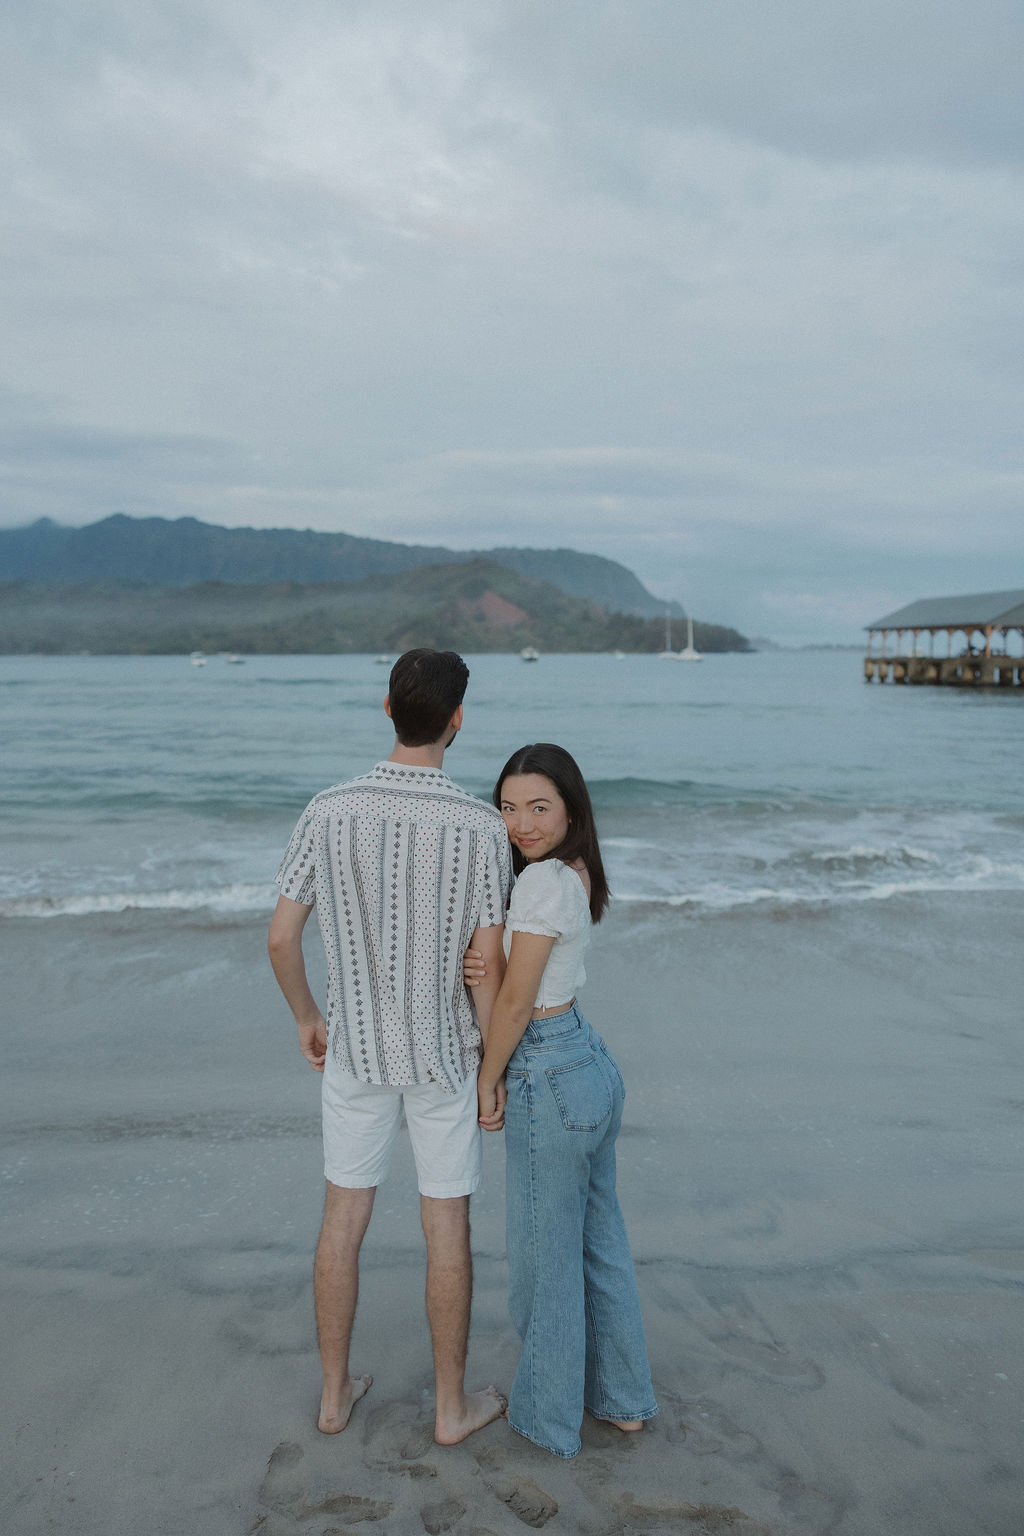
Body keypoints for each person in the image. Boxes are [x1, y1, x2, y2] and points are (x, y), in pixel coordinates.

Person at [267, 649, 512, 1443]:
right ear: (458, 719)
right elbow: (486, 964)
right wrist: (490, 1065)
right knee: (447, 1228)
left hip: (357, 1054)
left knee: (344, 1219)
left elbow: (279, 939)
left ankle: (335, 1398)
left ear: (386, 708)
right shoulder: (479, 825)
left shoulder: (328, 809)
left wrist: (308, 1013)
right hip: (443, 1056)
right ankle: (450, 1408)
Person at [465, 743, 657, 1458]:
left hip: (546, 1067)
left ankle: (546, 1420)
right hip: (586, 1060)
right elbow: (526, 977)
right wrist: (495, 963)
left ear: (571, 809)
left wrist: (489, 1079)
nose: (521, 823)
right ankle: (624, 1401)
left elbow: (516, 1002)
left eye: (538, 807)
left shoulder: (542, 881)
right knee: (599, 1244)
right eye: (509, 807)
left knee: (543, 1264)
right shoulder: (573, 872)